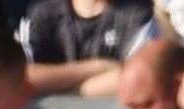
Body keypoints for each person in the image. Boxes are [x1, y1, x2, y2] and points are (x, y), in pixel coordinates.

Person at [16, 0, 153, 94]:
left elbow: (138, 78)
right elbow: (19, 76)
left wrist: (54, 86)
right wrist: (99, 67)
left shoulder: (138, 13)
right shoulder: (42, 14)